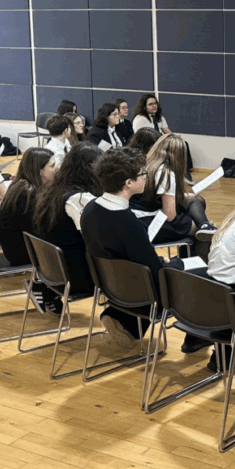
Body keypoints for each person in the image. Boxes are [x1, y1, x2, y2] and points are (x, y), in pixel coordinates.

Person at [80, 148, 183, 347]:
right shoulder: (128, 223)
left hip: (109, 284)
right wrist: (176, 264)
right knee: (182, 272)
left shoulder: (90, 209)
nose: (146, 178)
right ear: (128, 183)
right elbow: (154, 273)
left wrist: (158, 260)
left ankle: (119, 317)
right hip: (136, 290)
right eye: (143, 174)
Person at [33, 143, 103, 298]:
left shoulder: (54, 189)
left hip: (54, 270)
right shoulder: (79, 198)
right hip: (77, 275)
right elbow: (97, 240)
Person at [0, 148, 60, 313]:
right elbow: (39, 232)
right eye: (52, 166)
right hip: (20, 252)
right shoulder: (29, 194)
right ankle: (47, 289)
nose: (56, 169)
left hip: (14, 246)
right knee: (69, 250)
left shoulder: (22, 185)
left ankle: (49, 290)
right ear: (39, 170)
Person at [131, 134, 216, 244]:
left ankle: (205, 225)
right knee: (199, 231)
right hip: (149, 223)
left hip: (136, 216)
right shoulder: (165, 173)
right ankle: (201, 235)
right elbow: (170, 216)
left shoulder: (146, 163)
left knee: (194, 200)